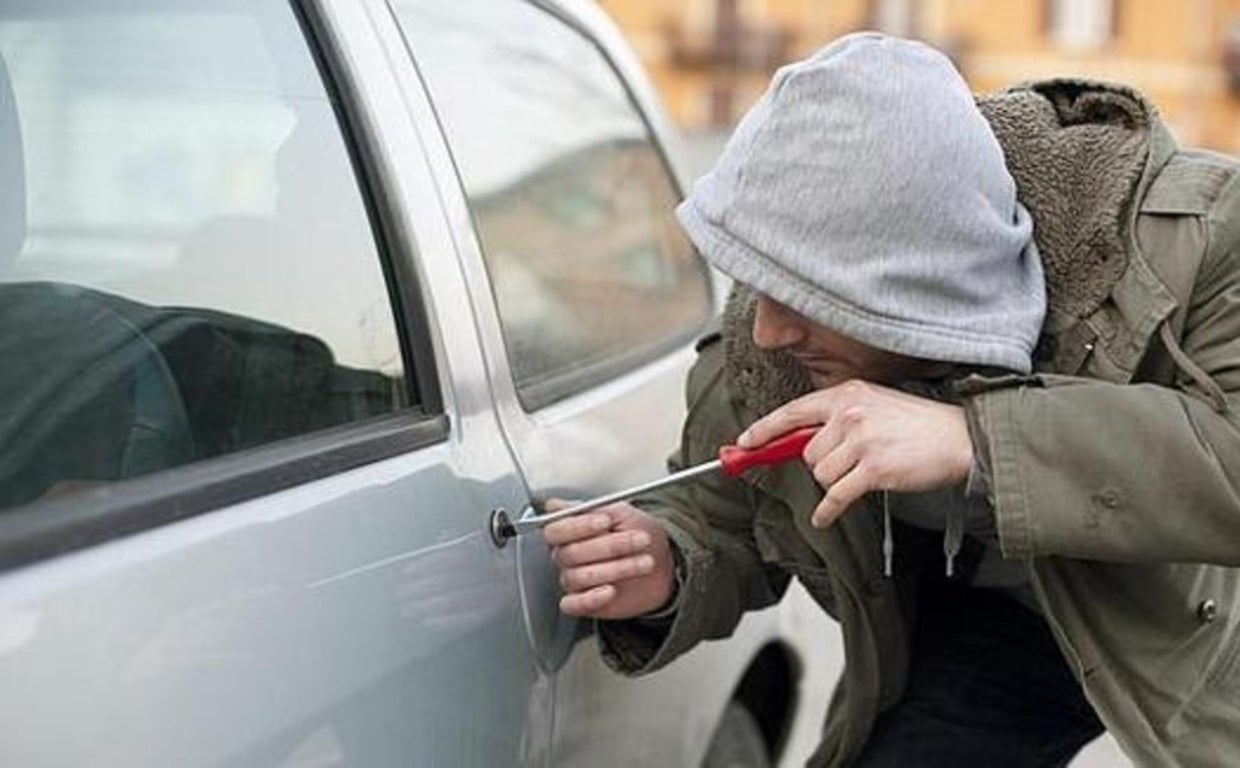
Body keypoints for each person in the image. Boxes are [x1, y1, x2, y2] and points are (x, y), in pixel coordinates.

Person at [540, 32, 1240, 767]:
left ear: (916, 283)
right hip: (993, 631)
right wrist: (666, 565)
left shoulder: (1200, 238)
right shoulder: (763, 353)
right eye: (761, 284)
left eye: (807, 297)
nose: (770, 331)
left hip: (1196, 621)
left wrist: (973, 440)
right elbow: (724, 517)